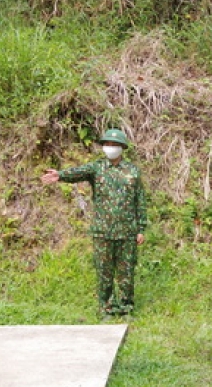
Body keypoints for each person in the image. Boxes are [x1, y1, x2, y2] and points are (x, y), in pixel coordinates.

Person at [41, 128, 147, 318]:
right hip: (102, 232)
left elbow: (139, 200)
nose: (111, 147)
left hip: (127, 232)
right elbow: (78, 172)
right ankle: (106, 308)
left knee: (126, 273)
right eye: (107, 144)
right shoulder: (97, 168)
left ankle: (125, 308)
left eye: (115, 145)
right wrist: (60, 175)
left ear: (122, 148)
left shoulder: (132, 171)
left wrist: (141, 228)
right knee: (104, 272)